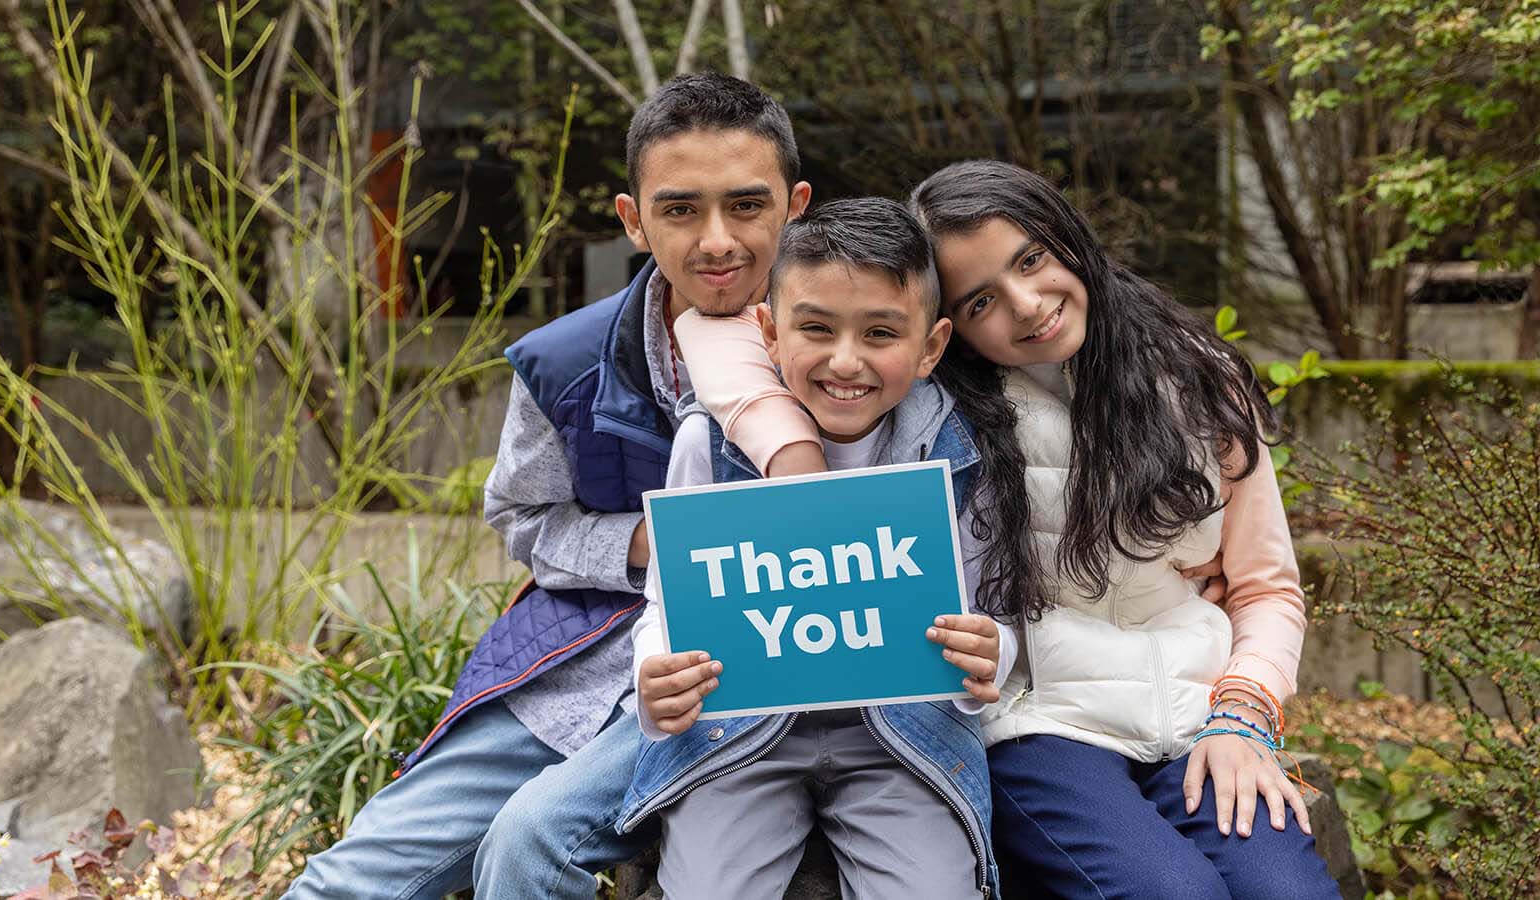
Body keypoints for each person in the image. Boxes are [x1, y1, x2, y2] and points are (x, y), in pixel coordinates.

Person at [673, 161, 1341, 899]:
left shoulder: (1201, 380)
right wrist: (789, 449)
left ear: (1068, 237)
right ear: (945, 333)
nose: (1027, 307)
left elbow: (1267, 587)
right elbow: (723, 337)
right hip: (1038, 720)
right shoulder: (945, 412)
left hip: (1196, 711)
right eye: (983, 298)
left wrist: (1243, 718)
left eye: (1032, 260)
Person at [282, 72, 810, 900]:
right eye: (679, 209)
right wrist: (647, 541)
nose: (717, 240)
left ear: (796, 205)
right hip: (584, 659)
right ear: (632, 220)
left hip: (757, 659)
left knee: (530, 845)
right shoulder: (568, 361)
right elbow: (524, 517)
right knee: (349, 880)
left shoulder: (854, 346)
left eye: (747, 206)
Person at [617, 198, 1017, 899]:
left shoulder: (961, 453)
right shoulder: (707, 442)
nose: (845, 360)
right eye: (816, 328)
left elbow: (998, 608)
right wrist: (656, 670)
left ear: (931, 345)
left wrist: (995, 650)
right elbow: (667, 599)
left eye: (881, 333)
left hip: (900, 740)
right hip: (740, 734)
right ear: (769, 333)